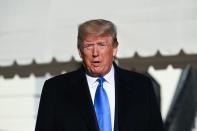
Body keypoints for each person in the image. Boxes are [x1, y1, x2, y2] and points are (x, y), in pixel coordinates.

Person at [35, 19, 164, 131]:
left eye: (102, 45)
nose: (95, 53)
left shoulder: (141, 87)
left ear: (114, 48)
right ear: (80, 51)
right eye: (89, 46)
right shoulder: (55, 90)